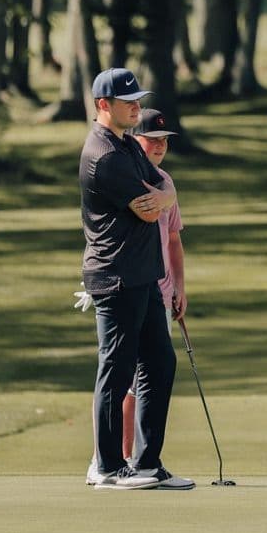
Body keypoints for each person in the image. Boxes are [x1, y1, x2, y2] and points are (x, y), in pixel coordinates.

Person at [79, 68, 190, 491]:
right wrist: (165, 198)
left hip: (143, 274)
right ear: (103, 105)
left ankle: (146, 463)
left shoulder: (127, 145)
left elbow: (161, 189)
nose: (136, 107)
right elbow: (149, 207)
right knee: (117, 368)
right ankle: (106, 466)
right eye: (128, 102)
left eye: (137, 100)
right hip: (116, 274)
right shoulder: (103, 154)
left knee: (160, 364)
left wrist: (166, 197)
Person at [116, 107, 187, 471]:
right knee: (128, 377)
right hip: (130, 287)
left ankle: (141, 459)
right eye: (151, 140)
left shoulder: (164, 180)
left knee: (149, 375)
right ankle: (118, 457)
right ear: (134, 140)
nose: (159, 146)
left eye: (163, 141)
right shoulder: (129, 178)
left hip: (159, 291)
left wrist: (179, 286)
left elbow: (173, 240)